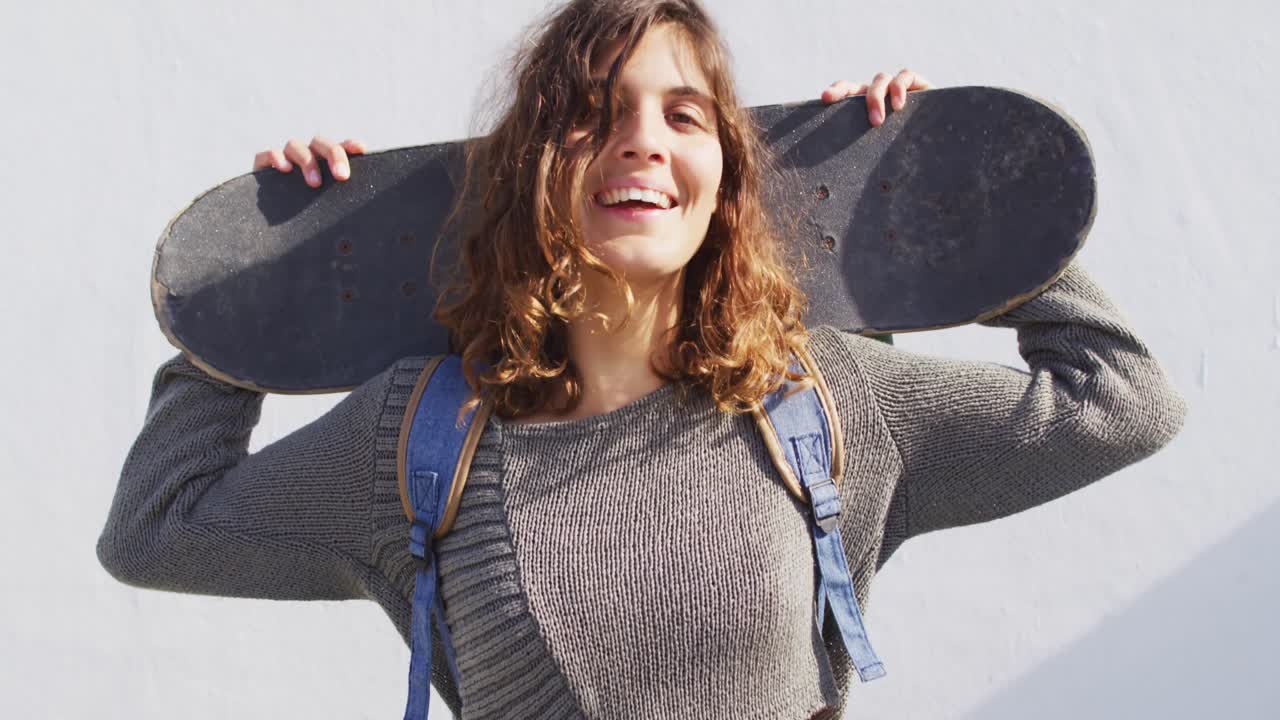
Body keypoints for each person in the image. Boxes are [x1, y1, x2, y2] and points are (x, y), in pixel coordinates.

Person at [96, 0, 1187, 718]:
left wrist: (950, 213)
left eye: (684, 115)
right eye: (592, 114)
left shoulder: (821, 397)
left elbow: (1125, 401)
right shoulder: (424, 433)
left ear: (726, 180)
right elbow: (154, 529)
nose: (642, 141)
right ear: (532, 169)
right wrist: (256, 308)